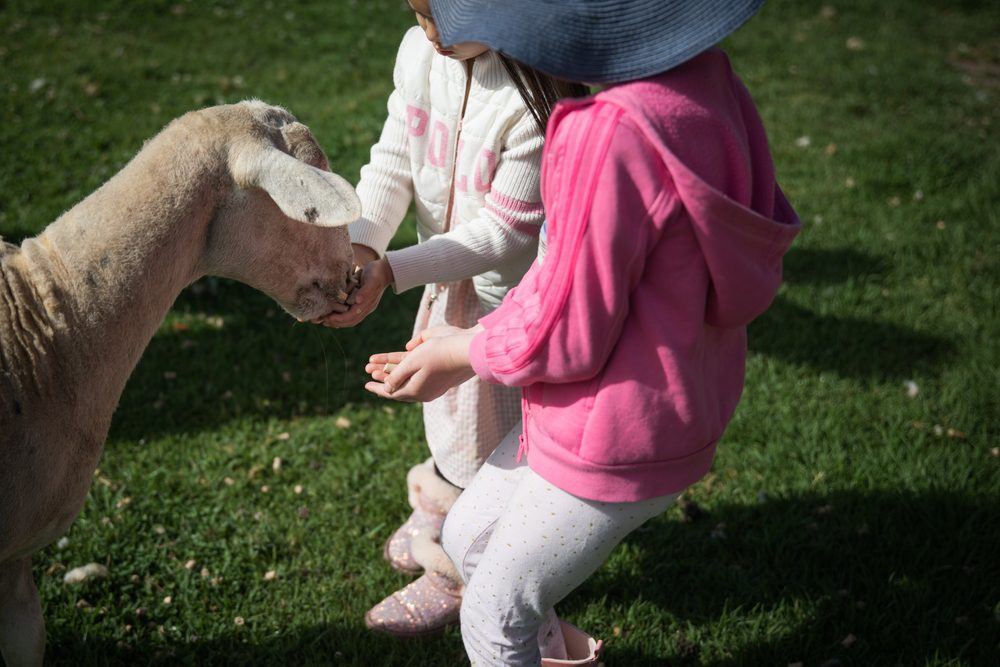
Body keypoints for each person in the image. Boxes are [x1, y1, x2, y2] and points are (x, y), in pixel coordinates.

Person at [362, 0, 802, 664]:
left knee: (492, 614)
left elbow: (568, 331)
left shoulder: (608, 135)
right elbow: (564, 283)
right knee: (468, 538)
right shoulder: (711, 85)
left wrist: (462, 350)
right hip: (672, 399)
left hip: (610, 433)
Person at [317, 0, 587, 639]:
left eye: (442, 15)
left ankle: (459, 570)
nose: (428, 32)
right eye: (417, 13)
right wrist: (363, 247)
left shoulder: (535, 91)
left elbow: (505, 232)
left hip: (511, 304)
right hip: (445, 278)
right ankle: (442, 502)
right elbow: (394, 160)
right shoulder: (420, 55)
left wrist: (396, 269)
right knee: (452, 420)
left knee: (492, 441)